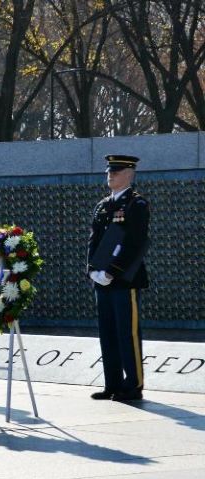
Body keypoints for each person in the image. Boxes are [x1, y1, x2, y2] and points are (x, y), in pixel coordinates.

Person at [87, 155, 149, 402]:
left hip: (124, 280)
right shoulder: (102, 205)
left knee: (127, 333)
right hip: (101, 280)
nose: (110, 174)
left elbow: (135, 244)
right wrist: (92, 270)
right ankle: (112, 384)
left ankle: (133, 385)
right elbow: (93, 241)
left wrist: (111, 271)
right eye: (109, 171)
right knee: (108, 333)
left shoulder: (137, 205)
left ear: (130, 174)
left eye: (117, 171)